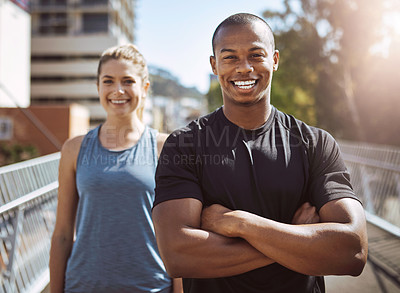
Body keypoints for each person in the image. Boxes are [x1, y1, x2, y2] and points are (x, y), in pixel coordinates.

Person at [152, 13, 368, 293]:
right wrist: (298, 239)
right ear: (214, 65)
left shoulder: (315, 143)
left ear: (274, 60)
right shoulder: (184, 144)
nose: (244, 68)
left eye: (256, 55)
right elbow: (178, 255)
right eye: (230, 57)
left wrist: (241, 223)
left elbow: (352, 251)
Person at [49, 44, 182, 293]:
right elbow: (63, 234)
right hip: (83, 286)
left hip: (150, 287)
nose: (117, 90)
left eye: (127, 81)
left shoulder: (166, 148)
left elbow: (179, 234)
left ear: (145, 87)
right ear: (98, 87)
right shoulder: (73, 150)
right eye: (108, 81)